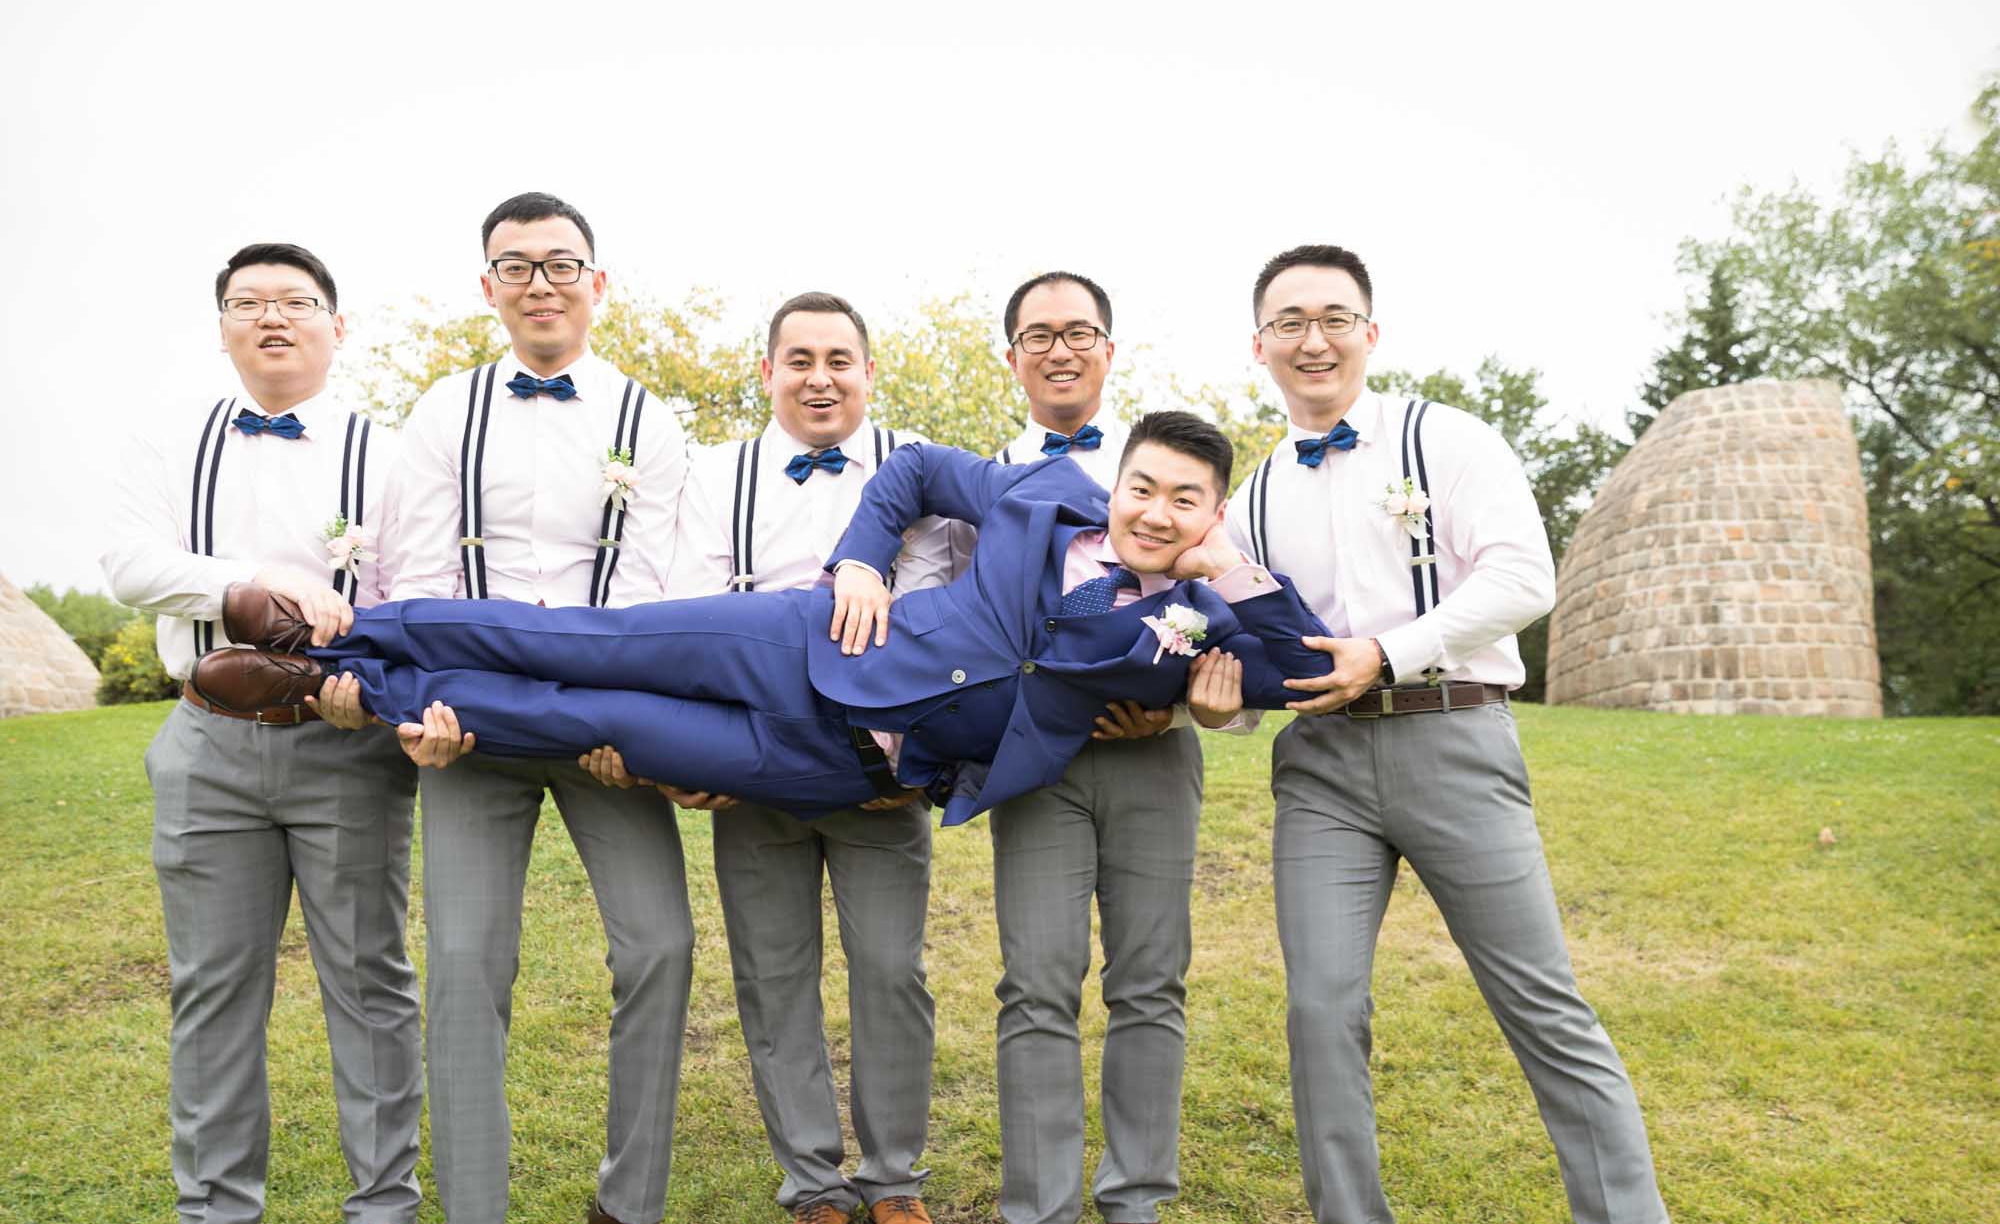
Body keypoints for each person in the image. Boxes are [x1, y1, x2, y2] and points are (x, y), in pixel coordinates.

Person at [1225, 244, 1684, 1224]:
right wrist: (1214, 693)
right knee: (1319, 1010)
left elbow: (1523, 578)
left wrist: (1390, 650)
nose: (1312, 339)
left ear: (1369, 333)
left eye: (1334, 316)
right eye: (1288, 321)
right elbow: (1252, 655)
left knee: (1542, 1007)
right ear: (1258, 345)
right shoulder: (1251, 497)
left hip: (1452, 735)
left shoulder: (1447, 440)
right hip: (1320, 769)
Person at [193, 414, 1326, 827]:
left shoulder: (1196, 623)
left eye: (1185, 501)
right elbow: (913, 470)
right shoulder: (1042, 494)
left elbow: (1301, 668)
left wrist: (1229, 569)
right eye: (1143, 488)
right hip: (797, 642)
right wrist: (860, 562)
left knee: (586, 721)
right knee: (572, 641)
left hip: (841, 766)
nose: (1155, 513)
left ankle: (330, 690)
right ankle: (339, 630)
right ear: (1115, 481)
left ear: (1211, 514)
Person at [378, 191, 697, 1224]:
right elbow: (413, 576)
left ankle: (628, 1205)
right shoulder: (441, 411)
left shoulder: (650, 421)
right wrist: (421, 716)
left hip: (605, 732)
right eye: (516, 266)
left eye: (561, 263)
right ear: (489, 287)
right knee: (466, 966)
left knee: (660, 944)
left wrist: (641, 724)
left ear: (596, 283)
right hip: (471, 733)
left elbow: (666, 583)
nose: (540, 283)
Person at [101, 243, 424, 1224]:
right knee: (212, 987)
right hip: (206, 744)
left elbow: (415, 588)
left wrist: (368, 682)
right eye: (249, 303)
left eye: (296, 301)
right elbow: (129, 563)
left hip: (345, 745)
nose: (272, 317)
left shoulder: (389, 452)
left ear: (337, 324)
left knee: (369, 979)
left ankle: (384, 1215)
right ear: (224, 327)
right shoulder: (171, 440)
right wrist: (251, 581)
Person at [657, 291, 954, 1224]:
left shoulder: (920, 469)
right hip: (755, 772)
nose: (819, 378)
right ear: (769, 373)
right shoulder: (717, 476)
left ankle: (895, 1180)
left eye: (838, 359)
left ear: (868, 372)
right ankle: (813, 1191)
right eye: (799, 360)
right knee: (773, 978)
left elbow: (963, 621)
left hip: (883, 784)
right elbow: (689, 617)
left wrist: (927, 755)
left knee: (892, 972)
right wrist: (698, 757)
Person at [974, 272, 1209, 1224]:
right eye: (1038, 334)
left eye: (1078, 332)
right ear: (1013, 356)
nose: (1059, 349)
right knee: (1035, 981)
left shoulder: (1170, 474)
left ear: (1108, 348)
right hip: (1039, 764)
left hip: (1153, 761)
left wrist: (1187, 702)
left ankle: (1137, 1205)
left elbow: (1234, 614)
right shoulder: (990, 480)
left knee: (1149, 978)